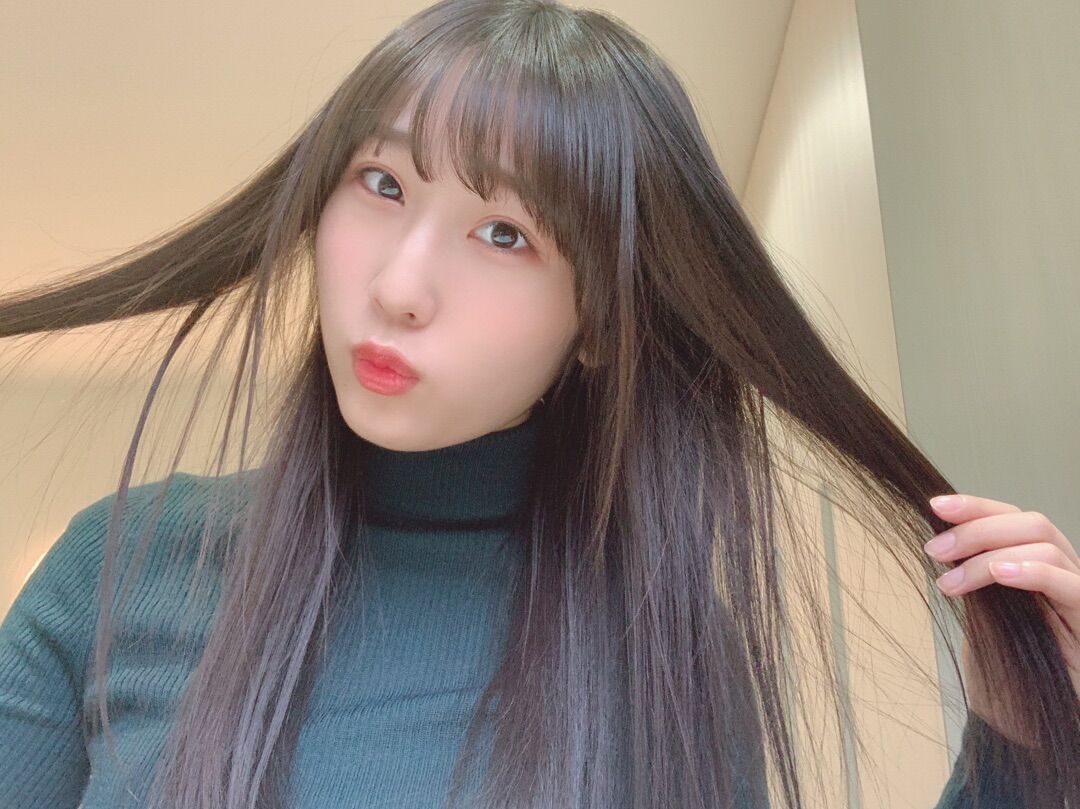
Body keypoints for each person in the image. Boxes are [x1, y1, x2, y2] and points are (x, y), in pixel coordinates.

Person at [0, 0, 1077, 807]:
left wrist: (1019, 750)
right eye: (382, 184)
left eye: (505, 233)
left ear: (599, 323)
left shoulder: (666, 649)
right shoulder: (116, 566)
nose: (399, 285)